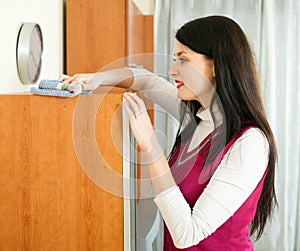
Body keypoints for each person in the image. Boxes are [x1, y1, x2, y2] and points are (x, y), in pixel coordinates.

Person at [60, 15, 277, 250]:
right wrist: (97, 79)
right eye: (175, 59)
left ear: (216, 65)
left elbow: (187, 234)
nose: (172, 70)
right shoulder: (197, 117)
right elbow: (146, 80)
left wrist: (151, 146)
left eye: (183, 60)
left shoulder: (249, 143)